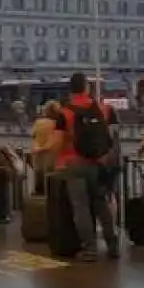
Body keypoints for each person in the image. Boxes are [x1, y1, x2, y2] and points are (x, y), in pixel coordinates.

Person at [51, 72, 120, 261]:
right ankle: (112, 245)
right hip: (97, 163)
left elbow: (56, 143)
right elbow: (112, 136)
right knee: (101, 205)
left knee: (80, 207)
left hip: (74, 163)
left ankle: (90, 249)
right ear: (87, 87)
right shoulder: (102, 109)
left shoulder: (64, 112)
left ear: (70, 89)